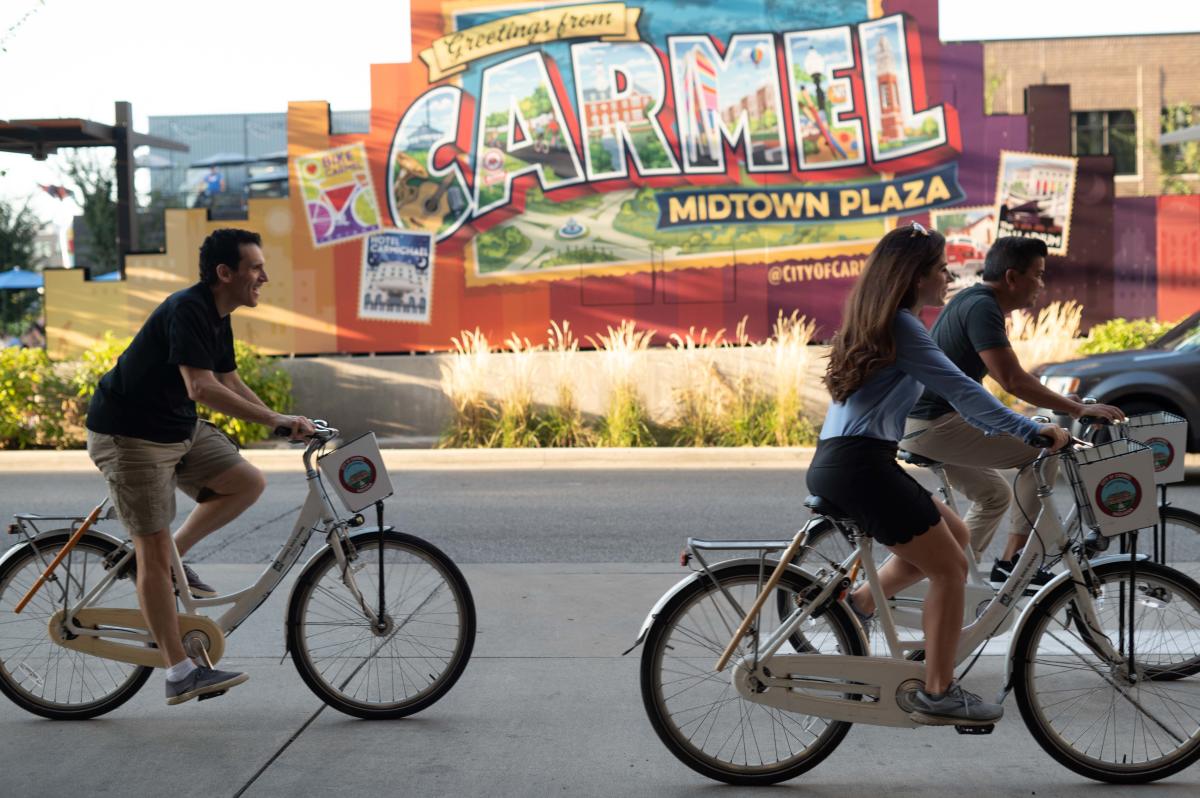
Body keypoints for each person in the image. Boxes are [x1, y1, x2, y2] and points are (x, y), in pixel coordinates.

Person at [806, 222, 1069, 726]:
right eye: (941, 268)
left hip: (852, 460)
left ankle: (860, 605)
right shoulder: (904, 327)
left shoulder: (877, 321)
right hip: (861, 466)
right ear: (915, 276)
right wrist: (1031, 432)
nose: (948, 275)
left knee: (957, 532)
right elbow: (961, 390)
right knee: (949, 568)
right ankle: (938, 690)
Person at [86, 228, 315, 705]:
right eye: (255, 268)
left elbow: (227, 377)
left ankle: (170, 562)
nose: (264, 276)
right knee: (151, 547)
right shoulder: (188, 308)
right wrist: (273, 419)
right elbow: (202, 388)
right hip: (130, 435)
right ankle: (178, 672)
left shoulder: (218, 313)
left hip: (175, 429)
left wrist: (285, 422)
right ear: (224, 273)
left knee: (245, 481)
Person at [901, 237, 1124, 582]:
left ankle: (952, 576)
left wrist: (1055, 409)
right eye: (1037, 274)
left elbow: (1002, 381)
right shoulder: (981, 307)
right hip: (934, 425)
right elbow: (1012, 380)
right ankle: (1013, 562)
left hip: (925, 425)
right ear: (1011, 277)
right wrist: (1075, 411)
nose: (1041, 284)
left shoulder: (972, 301)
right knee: (1043, 451)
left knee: (994, 496)